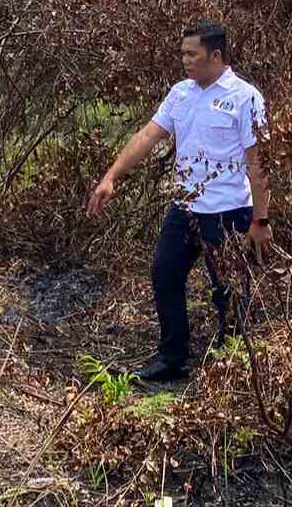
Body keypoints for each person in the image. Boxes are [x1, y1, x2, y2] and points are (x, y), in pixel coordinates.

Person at [86, 22, 271, 384]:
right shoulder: (181, 93)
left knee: (228, 291)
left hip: (229, 211)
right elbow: (148, 135)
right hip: (185, 207)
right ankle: (173, 358)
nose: (185, 61)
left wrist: (260, 221)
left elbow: (257, 162)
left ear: (215, 56)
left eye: (192, 54)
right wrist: (111, 176)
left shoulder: (245, 97)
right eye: (183, 53)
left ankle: (231, 368)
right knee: (165, 273)